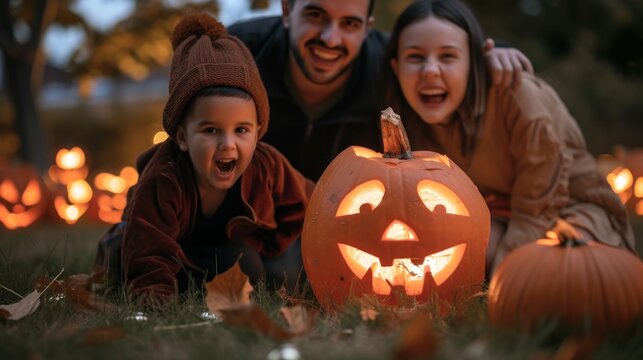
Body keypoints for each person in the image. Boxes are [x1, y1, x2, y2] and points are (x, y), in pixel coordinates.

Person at [382, 0, 635, 277]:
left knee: (564, 270)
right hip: (502, 216)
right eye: (416, 57)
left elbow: (538, 208)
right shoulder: (407, 119)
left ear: (473, 62)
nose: (430, 70)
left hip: (568, 212)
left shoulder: (517, 95)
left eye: (448, 56)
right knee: (462, 248)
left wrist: (506, 278)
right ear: (396, 67)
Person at [96, 13, 313, 304]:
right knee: (123, 261)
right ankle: (116, 248)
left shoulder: (266, 165)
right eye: (211, 130)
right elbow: (151, 247)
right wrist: (153, 296)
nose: (228, 144)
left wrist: (272, 243)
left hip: (219, 247)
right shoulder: (164, 179)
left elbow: (309, 202)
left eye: (241, 130)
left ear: (258, 131)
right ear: (183, 137)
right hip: (157, 243)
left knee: (263, 268)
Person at [228, 0, 534, 181]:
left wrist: (492, 55)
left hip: (341, 216)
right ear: (287, 10)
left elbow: (435, 57)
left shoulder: (388, 66)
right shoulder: (240, 53)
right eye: (315, 15)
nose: (331, 38)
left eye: (349, 23)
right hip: (250, 210)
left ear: (367, 27)